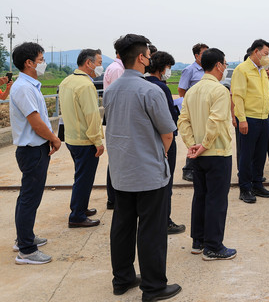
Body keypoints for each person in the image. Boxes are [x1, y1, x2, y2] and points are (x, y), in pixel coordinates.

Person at [104, 34, 181, 300]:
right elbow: (168, 133)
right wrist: (159, 157)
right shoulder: (150, 90)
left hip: (121, 171)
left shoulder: (111, 89)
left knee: (122, 225)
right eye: (148, 54)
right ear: (141, 57)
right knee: (152, 229)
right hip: (148, 173)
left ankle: (122, 278)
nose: (150, 58)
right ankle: (154, 286)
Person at [178, 48, 237, 260]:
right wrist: (203, 144)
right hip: (217, 152)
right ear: (219, 65)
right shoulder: (219, 90)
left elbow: (183, 120)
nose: (225, 66)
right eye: (225, 63)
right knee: (217, 200)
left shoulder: (192, 90)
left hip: (198, 154)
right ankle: (213, 246)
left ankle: (198, 241)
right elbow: (216, 120)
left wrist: (192, 144)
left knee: (201, 196)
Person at [10, 42, 61, 264]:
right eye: (40, 59)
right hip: (32, 150)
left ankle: (25, 238)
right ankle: (26, 251)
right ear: (28, 62)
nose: (43, 63)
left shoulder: (31, 86)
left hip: (35, 148)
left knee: (28, 197)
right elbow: (36, 122)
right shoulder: (23, 87)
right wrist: (54, 138)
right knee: (30, 198)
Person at [59, 49, 104, 228]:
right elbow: (92, 115)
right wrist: (98, 141)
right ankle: (77, 216)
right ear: (89, 63)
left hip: (71, 138)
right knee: (84, 179)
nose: (101, 67)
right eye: (99, 62)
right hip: (85, 141)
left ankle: (80, 207)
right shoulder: (86, 85)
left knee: (80, 176)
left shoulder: (67, 81)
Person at [146, 51, 186, 235]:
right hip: (164, 142)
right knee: (165, 183)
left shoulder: (143, 83)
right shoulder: (161, 88)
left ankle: (152, 219)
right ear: (162, 68)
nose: (169, 71)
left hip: (148, 141)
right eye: (169, 68)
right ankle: (165, 221)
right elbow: (169, 119)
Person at [231, 39, 269, 203]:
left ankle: (257, 184)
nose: (267, 57)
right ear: (256, 52)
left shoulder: (262, 70)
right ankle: (245, 188)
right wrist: (241, 119)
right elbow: (238, 96)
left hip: (264, 118)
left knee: (260, 154)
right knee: (246, 155)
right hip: (249, 118)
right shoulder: (242, 70)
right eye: (265, 53)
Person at [178, 43, 209, 182]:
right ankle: (188, 169)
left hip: (206, 109)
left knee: (203, 137)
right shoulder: (189, 70)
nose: (207, 56)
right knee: (194, 138)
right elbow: (181, 89)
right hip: (193, 110)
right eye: (204, 53)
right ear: (196, 56)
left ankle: (199, 167)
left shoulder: (208, 69)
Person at [103, 51, 125, 210]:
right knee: (117, 159)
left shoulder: (114, 67)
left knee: (116, 159)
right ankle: (113, 198)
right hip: (118, 117)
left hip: (115, 117)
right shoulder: (118, 70)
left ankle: (113, 197)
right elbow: (120, 98)